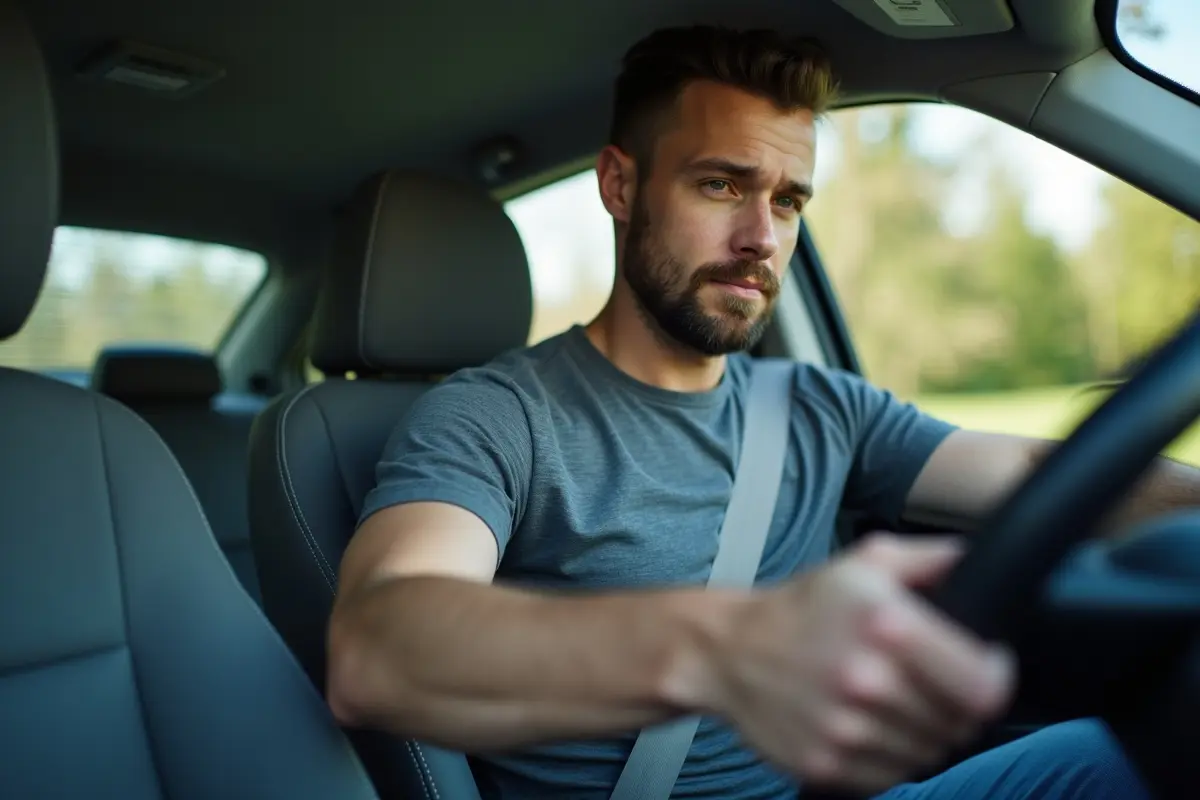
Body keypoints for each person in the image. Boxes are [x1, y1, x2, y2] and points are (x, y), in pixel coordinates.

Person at [325, 26, 1194, 799]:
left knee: (1135, 751)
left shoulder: (820, 409)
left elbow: (1044, 477)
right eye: (719, 185)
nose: (762, 238)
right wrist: (732, 645)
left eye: (787, 200)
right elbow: (377, 645)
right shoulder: (495, 416)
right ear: (620, 185)